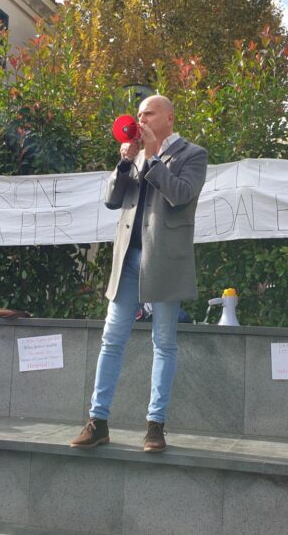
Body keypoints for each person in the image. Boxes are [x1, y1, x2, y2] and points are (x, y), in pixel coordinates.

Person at [71, 95, 208, 452]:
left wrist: (152, 157)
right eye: (139, 113)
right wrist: (125, 162)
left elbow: (181, 195)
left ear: (169, 119)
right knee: (111, 339)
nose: (141, 117)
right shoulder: (135, 154)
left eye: (149, 112)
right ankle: (98, 421)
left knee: (163, 343)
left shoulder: (193, 155)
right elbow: (112, 200)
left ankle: (155, 427)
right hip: (128, 259)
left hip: (165, 260)